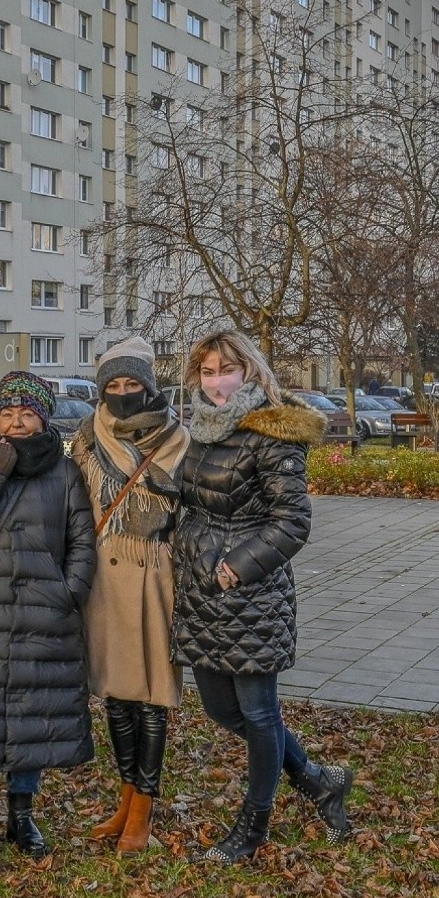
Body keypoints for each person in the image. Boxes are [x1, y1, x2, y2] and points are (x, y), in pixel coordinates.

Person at [171, 330, 354, 864]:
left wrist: (236, 567)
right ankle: (318, 780)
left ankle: (253, 826)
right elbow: (196, 495)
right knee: (222, 709)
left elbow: (292, 521)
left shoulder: (271, 434)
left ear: (250, 371)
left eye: (227, 370)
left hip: (248, 594)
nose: (217, 382)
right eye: (207, 372)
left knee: (258, 712)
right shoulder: (202, 429)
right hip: (200, 592)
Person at [0, 371, 96, 876]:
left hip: (47, 617)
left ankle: (22, 816)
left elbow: (83, 543)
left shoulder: (65, 472)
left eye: (28, 414)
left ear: (43, 419)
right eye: (8, 413)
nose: (17, 423)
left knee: (35, 724)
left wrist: (67, 593)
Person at [70, 337, 190, 854]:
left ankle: (144, 805)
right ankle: (125, 795)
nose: (122, 393)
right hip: (103, 575)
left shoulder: (180, 439)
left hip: (156, 574)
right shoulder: (85, 438)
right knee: (117, 695)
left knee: (151, 696)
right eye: (113, 385)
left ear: (149, 385)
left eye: (132, 384)